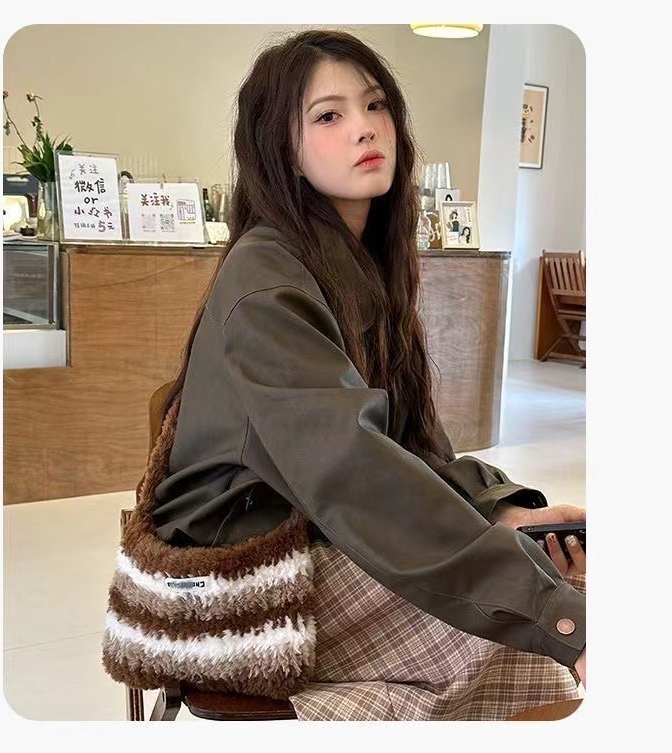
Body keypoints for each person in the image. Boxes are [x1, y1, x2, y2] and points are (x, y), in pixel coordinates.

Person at [150, 29, 586, 721]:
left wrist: (503, 508)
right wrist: (559, 617)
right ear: (281, 149)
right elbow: (354, 472)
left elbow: (406, 449)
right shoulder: (268, 278)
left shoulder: (363, 264)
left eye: (375, 104)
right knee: (537, 626)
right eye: (329, 115)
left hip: (309, 537)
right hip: (239, 582)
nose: (364, 128)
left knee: (539, 587)